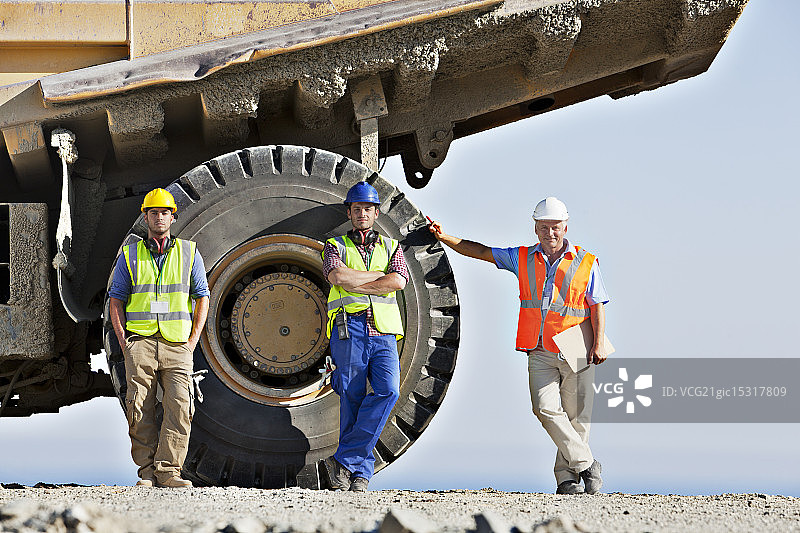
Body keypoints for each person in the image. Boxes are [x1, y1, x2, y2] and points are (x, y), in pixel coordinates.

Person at [428, 196, 609, 495]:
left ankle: (566, 479)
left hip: (577, 344)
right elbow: (484, 252)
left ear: (565, 227)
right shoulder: (522, 257)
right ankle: (588, 464)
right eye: (544, 227)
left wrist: (599, 343)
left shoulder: (586, 261)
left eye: (555, 227)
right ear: (535, 228)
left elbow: (597, 304)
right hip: (538, 346)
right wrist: (445, 237)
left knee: (577, 418)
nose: (550, 233)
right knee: (544, 409)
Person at [108, 188, 210, 488]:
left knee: (180, 406)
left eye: (165, 212)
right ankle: (148, 472)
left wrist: (192, 341)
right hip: (140, 343)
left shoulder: (189, 253)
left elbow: (202, 296)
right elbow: (116, 300)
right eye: (154, 212)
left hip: (177, 344)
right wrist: (125, 341)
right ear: (146, 216)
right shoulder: (130, 254)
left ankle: (169, 471)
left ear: (172, 216)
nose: (159, 217)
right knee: (139, 408)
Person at [322, 182, 408, 492]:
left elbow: (398, 281)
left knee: (388, 392)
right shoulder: (335, 245)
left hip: (382, 331)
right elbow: (337, 276)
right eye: (357, 209)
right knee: (352, 397)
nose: (362, 213)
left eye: (367, 209)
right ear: (349, 212)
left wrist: (357, 282)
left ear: (376, 213)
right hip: (350, 329)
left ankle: (344, 459)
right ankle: (359, 474)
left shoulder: (391, 247)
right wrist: (377, 278)